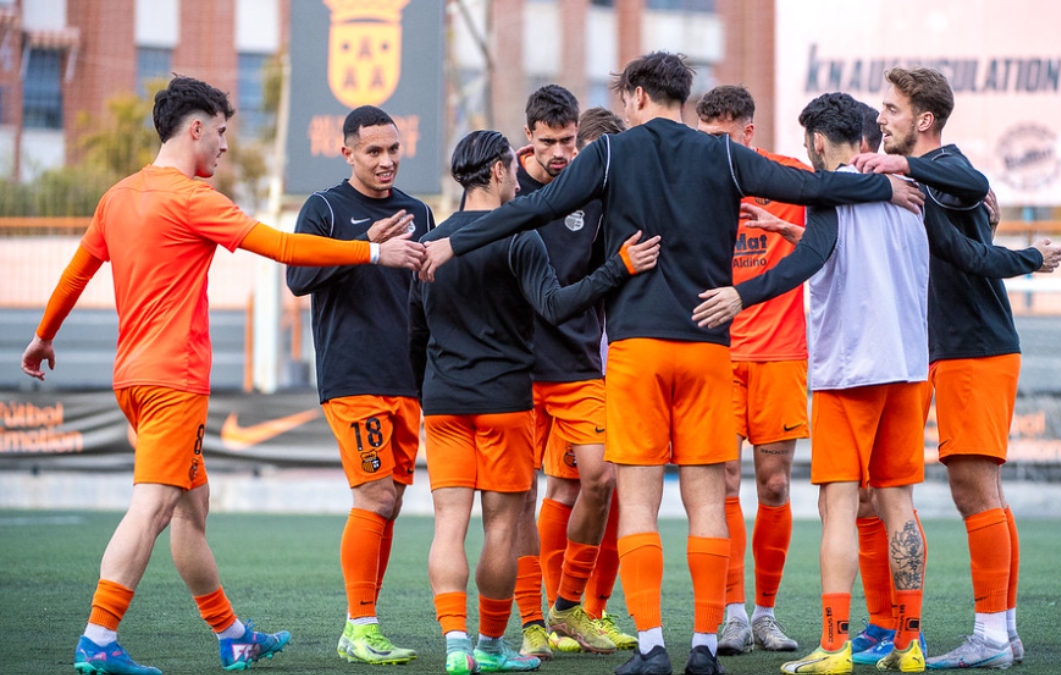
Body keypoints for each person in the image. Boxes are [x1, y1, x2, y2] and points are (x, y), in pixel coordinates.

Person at [419, 51, 924, 675]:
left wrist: (446, 241)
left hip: (636, 352)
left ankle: (654, 645)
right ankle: (706, 648)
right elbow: (811, 186)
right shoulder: (722, 153)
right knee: (709, 503)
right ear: (683, 97)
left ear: (634, 96)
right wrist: (882, 183)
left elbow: (529, 211)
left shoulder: (608, 154)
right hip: (710, 346)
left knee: (637, 503)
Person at [19, 76, 426, 675]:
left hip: (132, 377)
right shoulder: (193, 199)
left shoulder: (118, 196)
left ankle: (233, 635)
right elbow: (286, 249)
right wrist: (370, 251)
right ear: (196, 129)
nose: (226, 146)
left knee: (191, 508)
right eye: (223, 132)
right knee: (154, 508)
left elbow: (79, 272)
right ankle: (98, 637)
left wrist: (43, 336)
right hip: (174, 380)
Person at [695, 91, 933, 674]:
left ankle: (834, 644)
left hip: (848, 371)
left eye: (808, 142)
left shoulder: (825, 192)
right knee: (899, 503)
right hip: (906, 369)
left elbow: (815, 257)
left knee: (838, 504)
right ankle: (911, 646)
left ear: (819, 143)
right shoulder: (913, 198)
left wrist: (741, 294)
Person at [408, 130, 659, 675]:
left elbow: (415, 331)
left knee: (448, 525)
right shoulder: (519, 237)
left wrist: (426, 393)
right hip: (503, 401)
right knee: (501, 527)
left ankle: (455, 645)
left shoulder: (432, 242)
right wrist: (619, 267)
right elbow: (556, 306)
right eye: (512, 170)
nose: (519, 178)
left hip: (444, 403)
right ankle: (493, 647)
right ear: (497, 172)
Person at [853, 66, 1061, 669]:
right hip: (945, 348)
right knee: (973, 491)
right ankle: (1001, 631)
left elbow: (968, 185)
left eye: (891, 109)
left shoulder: (951, 171)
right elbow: (963, 247)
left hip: (976, 346)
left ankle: (992, 637)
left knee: (974, 489)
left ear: (923, 120)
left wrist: (902, 166)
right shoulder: (936, 185)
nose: (880, 119)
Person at [285, 105, 436, 665]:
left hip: (408, 378)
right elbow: (298, 278)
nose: (386, 160)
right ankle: (360, 624)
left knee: (390, 502)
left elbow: (428, 293)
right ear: (346, 152)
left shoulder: (419, 210)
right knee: (372, 494)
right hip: (353, 377)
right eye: (373, 151)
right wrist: (367, 247)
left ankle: (363, 622)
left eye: (393, 149)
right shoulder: (324, 208)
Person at [507, 86, 635, 659]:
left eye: (569, 141)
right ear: (528, 136)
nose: (561, 153)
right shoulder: (505, 187)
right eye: (550, 142)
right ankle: (532, 620)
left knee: (600, 478)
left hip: (579, 361)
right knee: (514, 495)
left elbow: (616, 265)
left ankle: (568, 608)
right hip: (513, 363)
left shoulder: (590, 188)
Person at [695, 84, 808, 656]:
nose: (714, 149)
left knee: (775, 484)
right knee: (721, 484)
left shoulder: (787, 176)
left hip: (781, 355)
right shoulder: (690, 185)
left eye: (724, 138)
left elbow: (846, 199)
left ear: (747, 134)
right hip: (715, 355)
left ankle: (766, 613)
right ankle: (733, 614)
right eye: (705, 137)